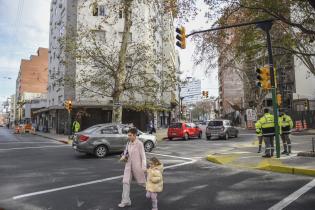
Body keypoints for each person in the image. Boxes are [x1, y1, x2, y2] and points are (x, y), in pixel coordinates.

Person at [118, 127, 147, 208]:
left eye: (130, 135)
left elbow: (143, 156)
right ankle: (126, 201)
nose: (129, 137)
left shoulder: (139, 144)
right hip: (128, 166)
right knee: (125, 182)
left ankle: (153, 193)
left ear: (134, 135)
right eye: (128, 135)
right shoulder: (128, 143)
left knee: (143, 183)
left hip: (137, 167)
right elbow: (125, 153)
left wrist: (144, 167)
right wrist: (123, 157)